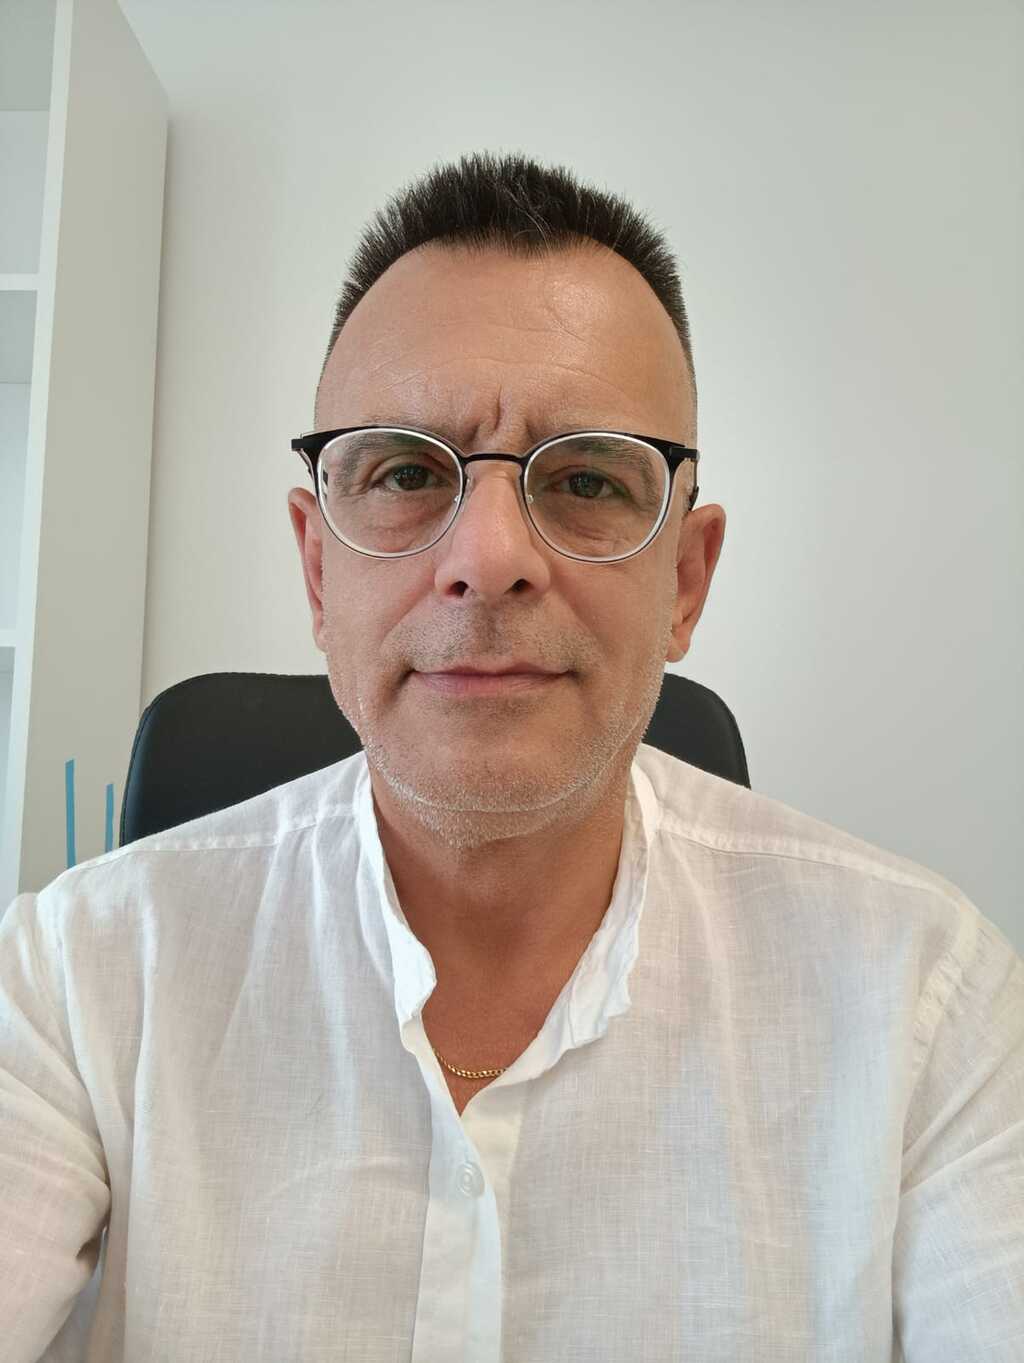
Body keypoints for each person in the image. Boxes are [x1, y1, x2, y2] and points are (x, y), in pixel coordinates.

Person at [1, 150, 1020, 1362]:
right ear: (318, 571)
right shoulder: (73, 983)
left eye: (585, 478)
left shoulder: (925, 1003)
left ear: (684, 582)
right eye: (404, 472)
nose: (487, 559)